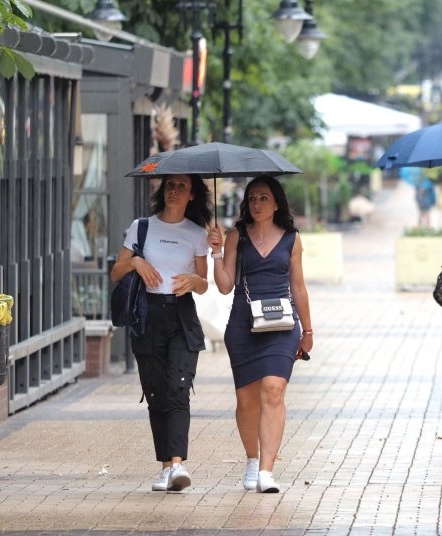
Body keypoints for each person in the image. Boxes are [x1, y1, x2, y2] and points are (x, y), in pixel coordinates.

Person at [207, 175, 313, 494]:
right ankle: (252, 460)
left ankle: (267, 470)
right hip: (243, 322)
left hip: (282, 323)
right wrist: (215, 252)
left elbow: (299, 286)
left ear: (276, 203)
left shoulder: (292, 239)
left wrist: (307, 330)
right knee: (246, 399)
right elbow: (225, 286)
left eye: (263, 198)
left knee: (273, 389)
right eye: (252, 198)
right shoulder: (237, 235)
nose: (256, 203)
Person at [109, 173, 212, 492]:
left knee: (178, 387)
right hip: (146, 315)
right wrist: (137, 262)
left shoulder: (197, 233)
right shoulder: (141, 227)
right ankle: (166, 465)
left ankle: (178, 464)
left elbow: (204, 283)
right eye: (171, 185)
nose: (175, 190)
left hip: (181, 315)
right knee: (155, 391)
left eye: (182, 186)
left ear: (192, 195)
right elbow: (116, 271)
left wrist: (194, 281)